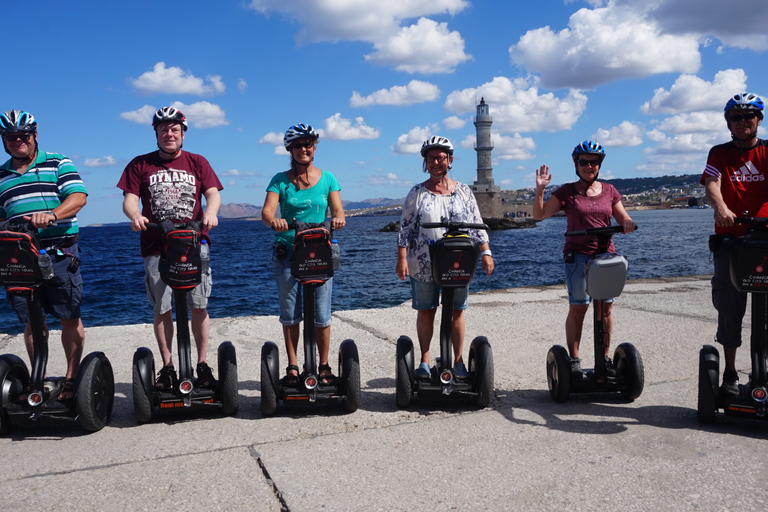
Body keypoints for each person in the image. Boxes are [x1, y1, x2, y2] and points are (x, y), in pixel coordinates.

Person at [117, 107, 223, 390]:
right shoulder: (140, 164)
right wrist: (135, 215)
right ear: (156, 133)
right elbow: (129, 199)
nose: (169, 134)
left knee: (199, 305)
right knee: (162, 307)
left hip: (193, 243)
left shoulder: (197, 162)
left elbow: (212, 194)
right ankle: (167, 367)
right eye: (163, 129)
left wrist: (210, 214)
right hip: (155, 245)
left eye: (175, 129)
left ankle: (201, 364)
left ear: (183, 133)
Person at [0, 110, 88, 401]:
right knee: (32, 320)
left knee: (68, 316)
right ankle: (40, 379)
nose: (17, 141)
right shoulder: (1, 176)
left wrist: (52, 214)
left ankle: (72, 379)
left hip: (58, 251)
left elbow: (77, 198)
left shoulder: (57, 162)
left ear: (34, 136)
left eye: (23, 136)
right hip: (19, 256)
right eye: (10, 137)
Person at [533, 140, 635, 378]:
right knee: (579, 307)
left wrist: (627, 223)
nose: (589, 166)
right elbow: (540, 215)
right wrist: (540, 190)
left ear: (600, 164)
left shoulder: (609, 191)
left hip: (605, 255)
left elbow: (623, 218)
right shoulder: (567, 192)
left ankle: (606, 358)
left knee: (606, 309)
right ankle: (575, 360)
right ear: (575, 164)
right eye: (584, 162)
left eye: (594, 162)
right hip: (577, 257)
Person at [396, 136, 494, 379]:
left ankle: (458, 361)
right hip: (424, 264)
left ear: (449, 160)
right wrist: (401, 259)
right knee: (426, 310)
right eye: (431, 158)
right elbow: (405, 228)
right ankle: (425, 361)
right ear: (425, 162)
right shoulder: (417, 193)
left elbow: (476, 224)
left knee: (457, 311)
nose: (436, 162)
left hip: (458, 262)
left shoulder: (463, 191)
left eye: (441, 157)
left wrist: (486, 252)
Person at [261, 124, 346, 386]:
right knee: (290, 314)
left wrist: (339, 219)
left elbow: (337, 210)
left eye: (308, 144)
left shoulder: (328, 178)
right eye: (298, 145)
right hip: (288, 251)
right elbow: (267, 211)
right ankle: (293, 365)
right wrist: (274, 221)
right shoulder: (280, 180)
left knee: (322, 314)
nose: (304, 149)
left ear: (314, 148)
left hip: (319, 251)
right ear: (290, 149)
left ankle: (323, 365)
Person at [701, 92, 768, 396]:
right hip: (730, 240)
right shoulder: (719, 153)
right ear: (728, 122)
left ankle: (761, 371)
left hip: (764, 238)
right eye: (736, 117)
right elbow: (712, 185)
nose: (743, 122)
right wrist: (721, 208)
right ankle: (729, 372)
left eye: (749, 116)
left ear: (759, 120)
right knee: (729, 306)